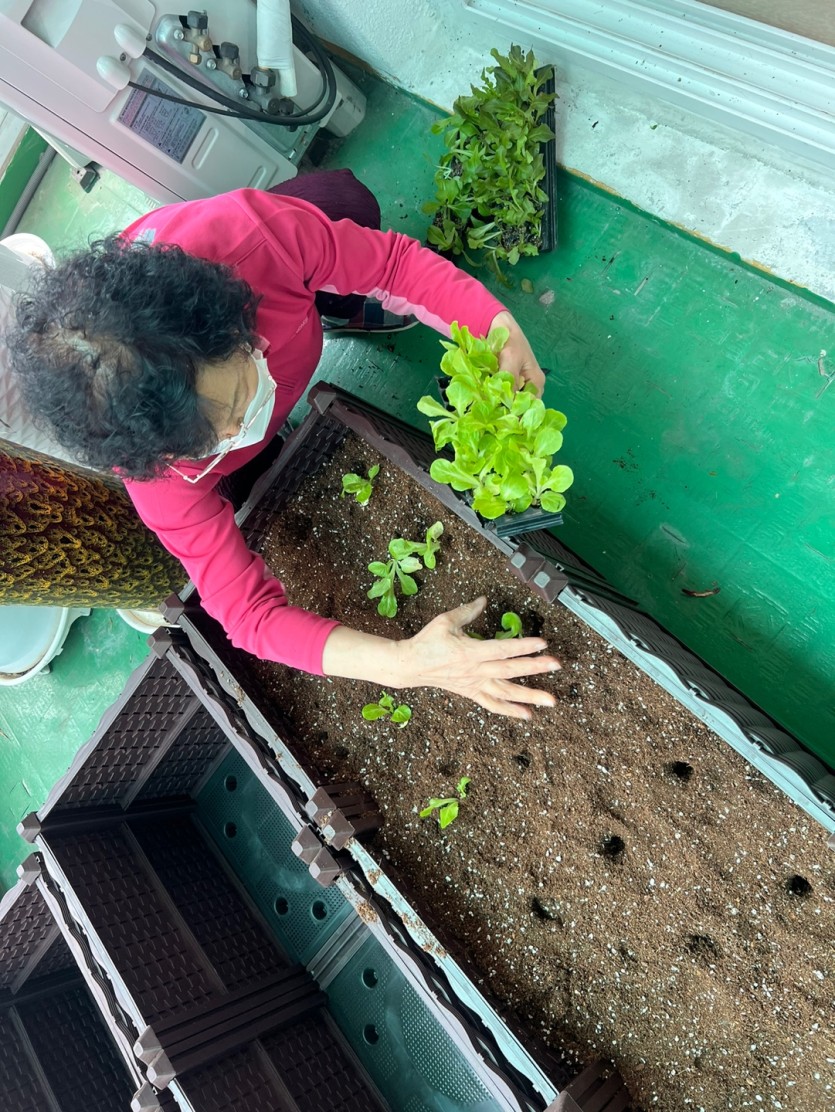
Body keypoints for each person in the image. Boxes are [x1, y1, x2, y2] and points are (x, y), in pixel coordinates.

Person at [6, 169, 560, 718]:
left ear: (231, 323)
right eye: (205, 442)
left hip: (261, 273)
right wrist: (405, 663)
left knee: (345, 200)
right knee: (253, 483)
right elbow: (248, 616)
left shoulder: (251, 236)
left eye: (238, 394)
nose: (236, 429)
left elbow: (394, 263)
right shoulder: (159, 479)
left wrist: (494, 324)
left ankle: (337, 303)